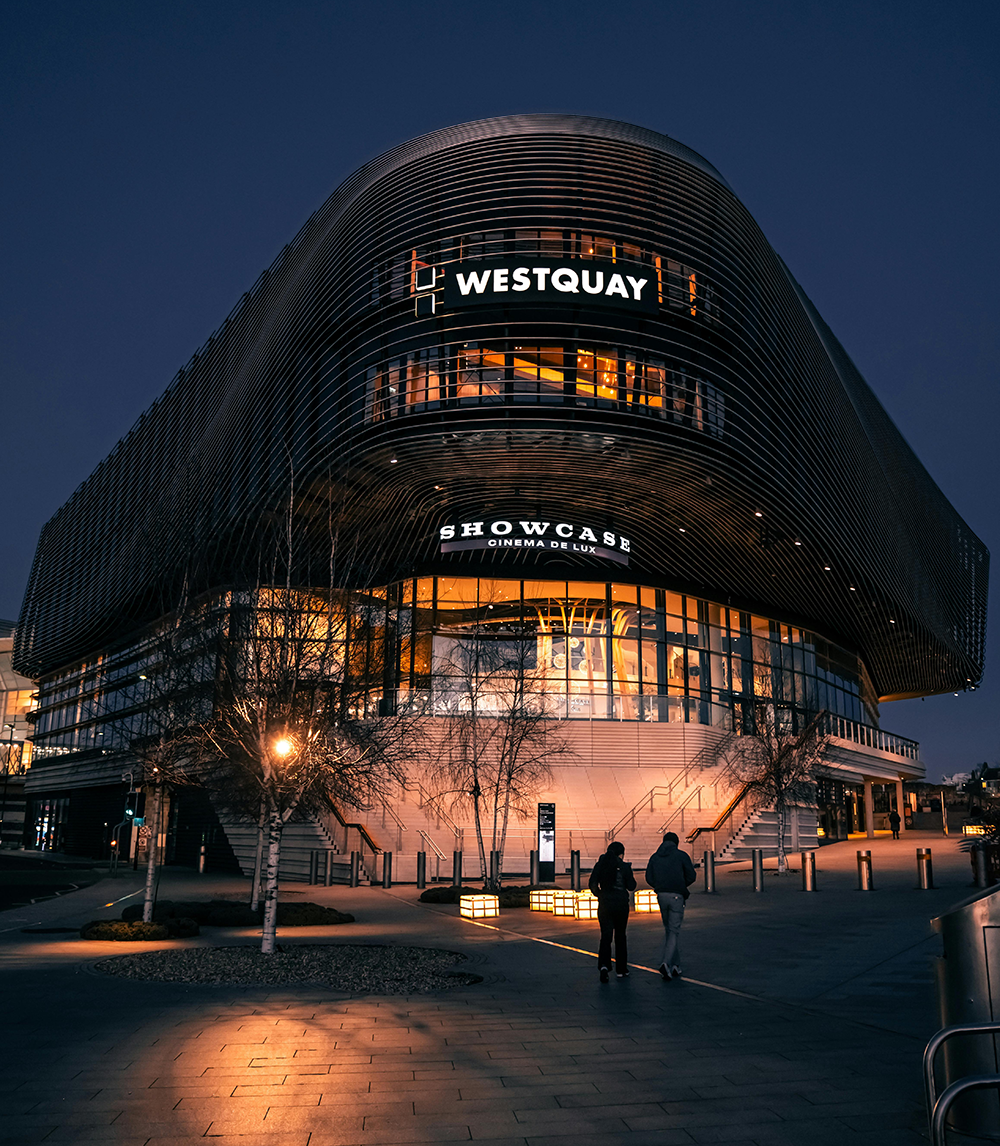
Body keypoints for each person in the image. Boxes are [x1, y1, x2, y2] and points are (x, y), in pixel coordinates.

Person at [645, 831, 697, 980]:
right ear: (676, 843)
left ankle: (676, 965)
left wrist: (660, 885)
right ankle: (666, 963)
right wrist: (681, 884)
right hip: (676, 896)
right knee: (674, 930)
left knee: (669, 930)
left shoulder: (655, 857)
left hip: (661, 895)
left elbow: (649, 877)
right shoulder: (681, 856)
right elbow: (691, 876)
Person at [588, 840, 636, 982]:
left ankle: (604, 965)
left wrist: (600, 895)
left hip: (605, 904)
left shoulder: (600, 865)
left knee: (606, 936)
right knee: (620, 936)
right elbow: (632, 885)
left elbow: (592, 883)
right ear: (621, 854)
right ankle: (621, 969)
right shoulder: (623, 866)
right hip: (621, 904)